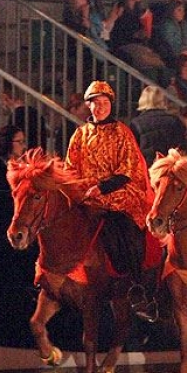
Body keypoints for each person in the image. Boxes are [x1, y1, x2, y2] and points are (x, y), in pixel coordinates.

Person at [64, 80, 151, 312]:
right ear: (88, 106)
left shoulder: (122, 132)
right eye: (96, 103)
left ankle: (135, 283)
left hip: (118, 192)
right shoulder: (80, 135)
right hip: (87, 193)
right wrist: (79, 190)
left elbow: (129, 170)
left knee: (124, 228)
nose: (100, 107)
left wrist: (103, 188)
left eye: (105, 103)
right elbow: (70, 168)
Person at [130, 85, 187, 166]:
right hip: (169, 167)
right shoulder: (174, 121)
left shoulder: (136, 123)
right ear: (162, 100)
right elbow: (182, 147)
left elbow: (132, 150)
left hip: (146, 167)